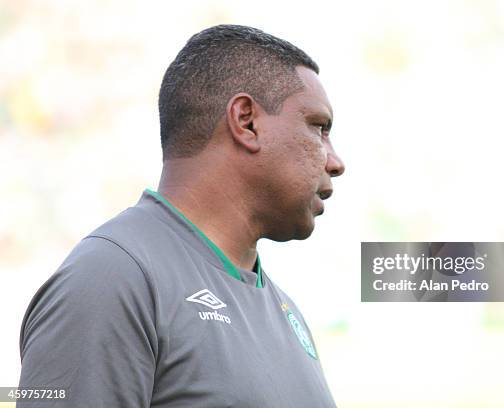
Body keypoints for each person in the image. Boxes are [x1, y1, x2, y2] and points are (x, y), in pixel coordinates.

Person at [18, 24, 345, 407]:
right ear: (246, 121)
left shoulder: (285, 310)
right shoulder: (114, 277)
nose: (336, 162)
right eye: (318, 128)